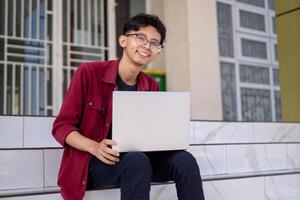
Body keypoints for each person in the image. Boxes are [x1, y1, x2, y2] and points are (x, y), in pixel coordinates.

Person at [52, 13, 205, 200]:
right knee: (136, 160)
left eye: (154, 43)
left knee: (185, 160)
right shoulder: (88, 73)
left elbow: (150, 134)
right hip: (94, 162)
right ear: (123, 40)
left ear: (157, 52)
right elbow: (61, 127)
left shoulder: (151, 85)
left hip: (137, 163)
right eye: (141, 37)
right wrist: (94, 147)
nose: (147, 46)